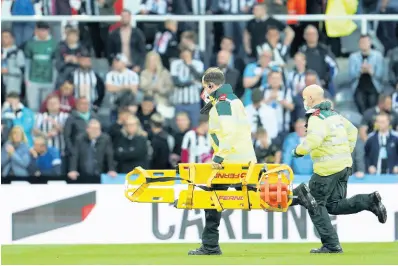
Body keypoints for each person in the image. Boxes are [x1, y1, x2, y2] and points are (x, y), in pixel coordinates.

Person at [189, 67, 316, 256]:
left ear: (210, 85)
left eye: (205, 87)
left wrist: (218, 156)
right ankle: (296, 197)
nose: (204, 92)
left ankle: (210, 246)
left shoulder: (223, 103)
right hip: (243, 157)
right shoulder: (233, 100)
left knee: (214, 199)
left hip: (230, 162)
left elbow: (229, 132)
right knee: (257, 196)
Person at [291, 84, 387, 253]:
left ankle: (331, 244)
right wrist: (346, 151)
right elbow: (354, 131)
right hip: (344, 167)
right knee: (334, 205)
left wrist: (297, 151)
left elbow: (313, 141)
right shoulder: (335, 115)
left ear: (312, 99)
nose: (304, 101)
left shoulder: (316, 118)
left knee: (314, 204)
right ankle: (369, 201)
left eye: (305, 98)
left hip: (326, 170)